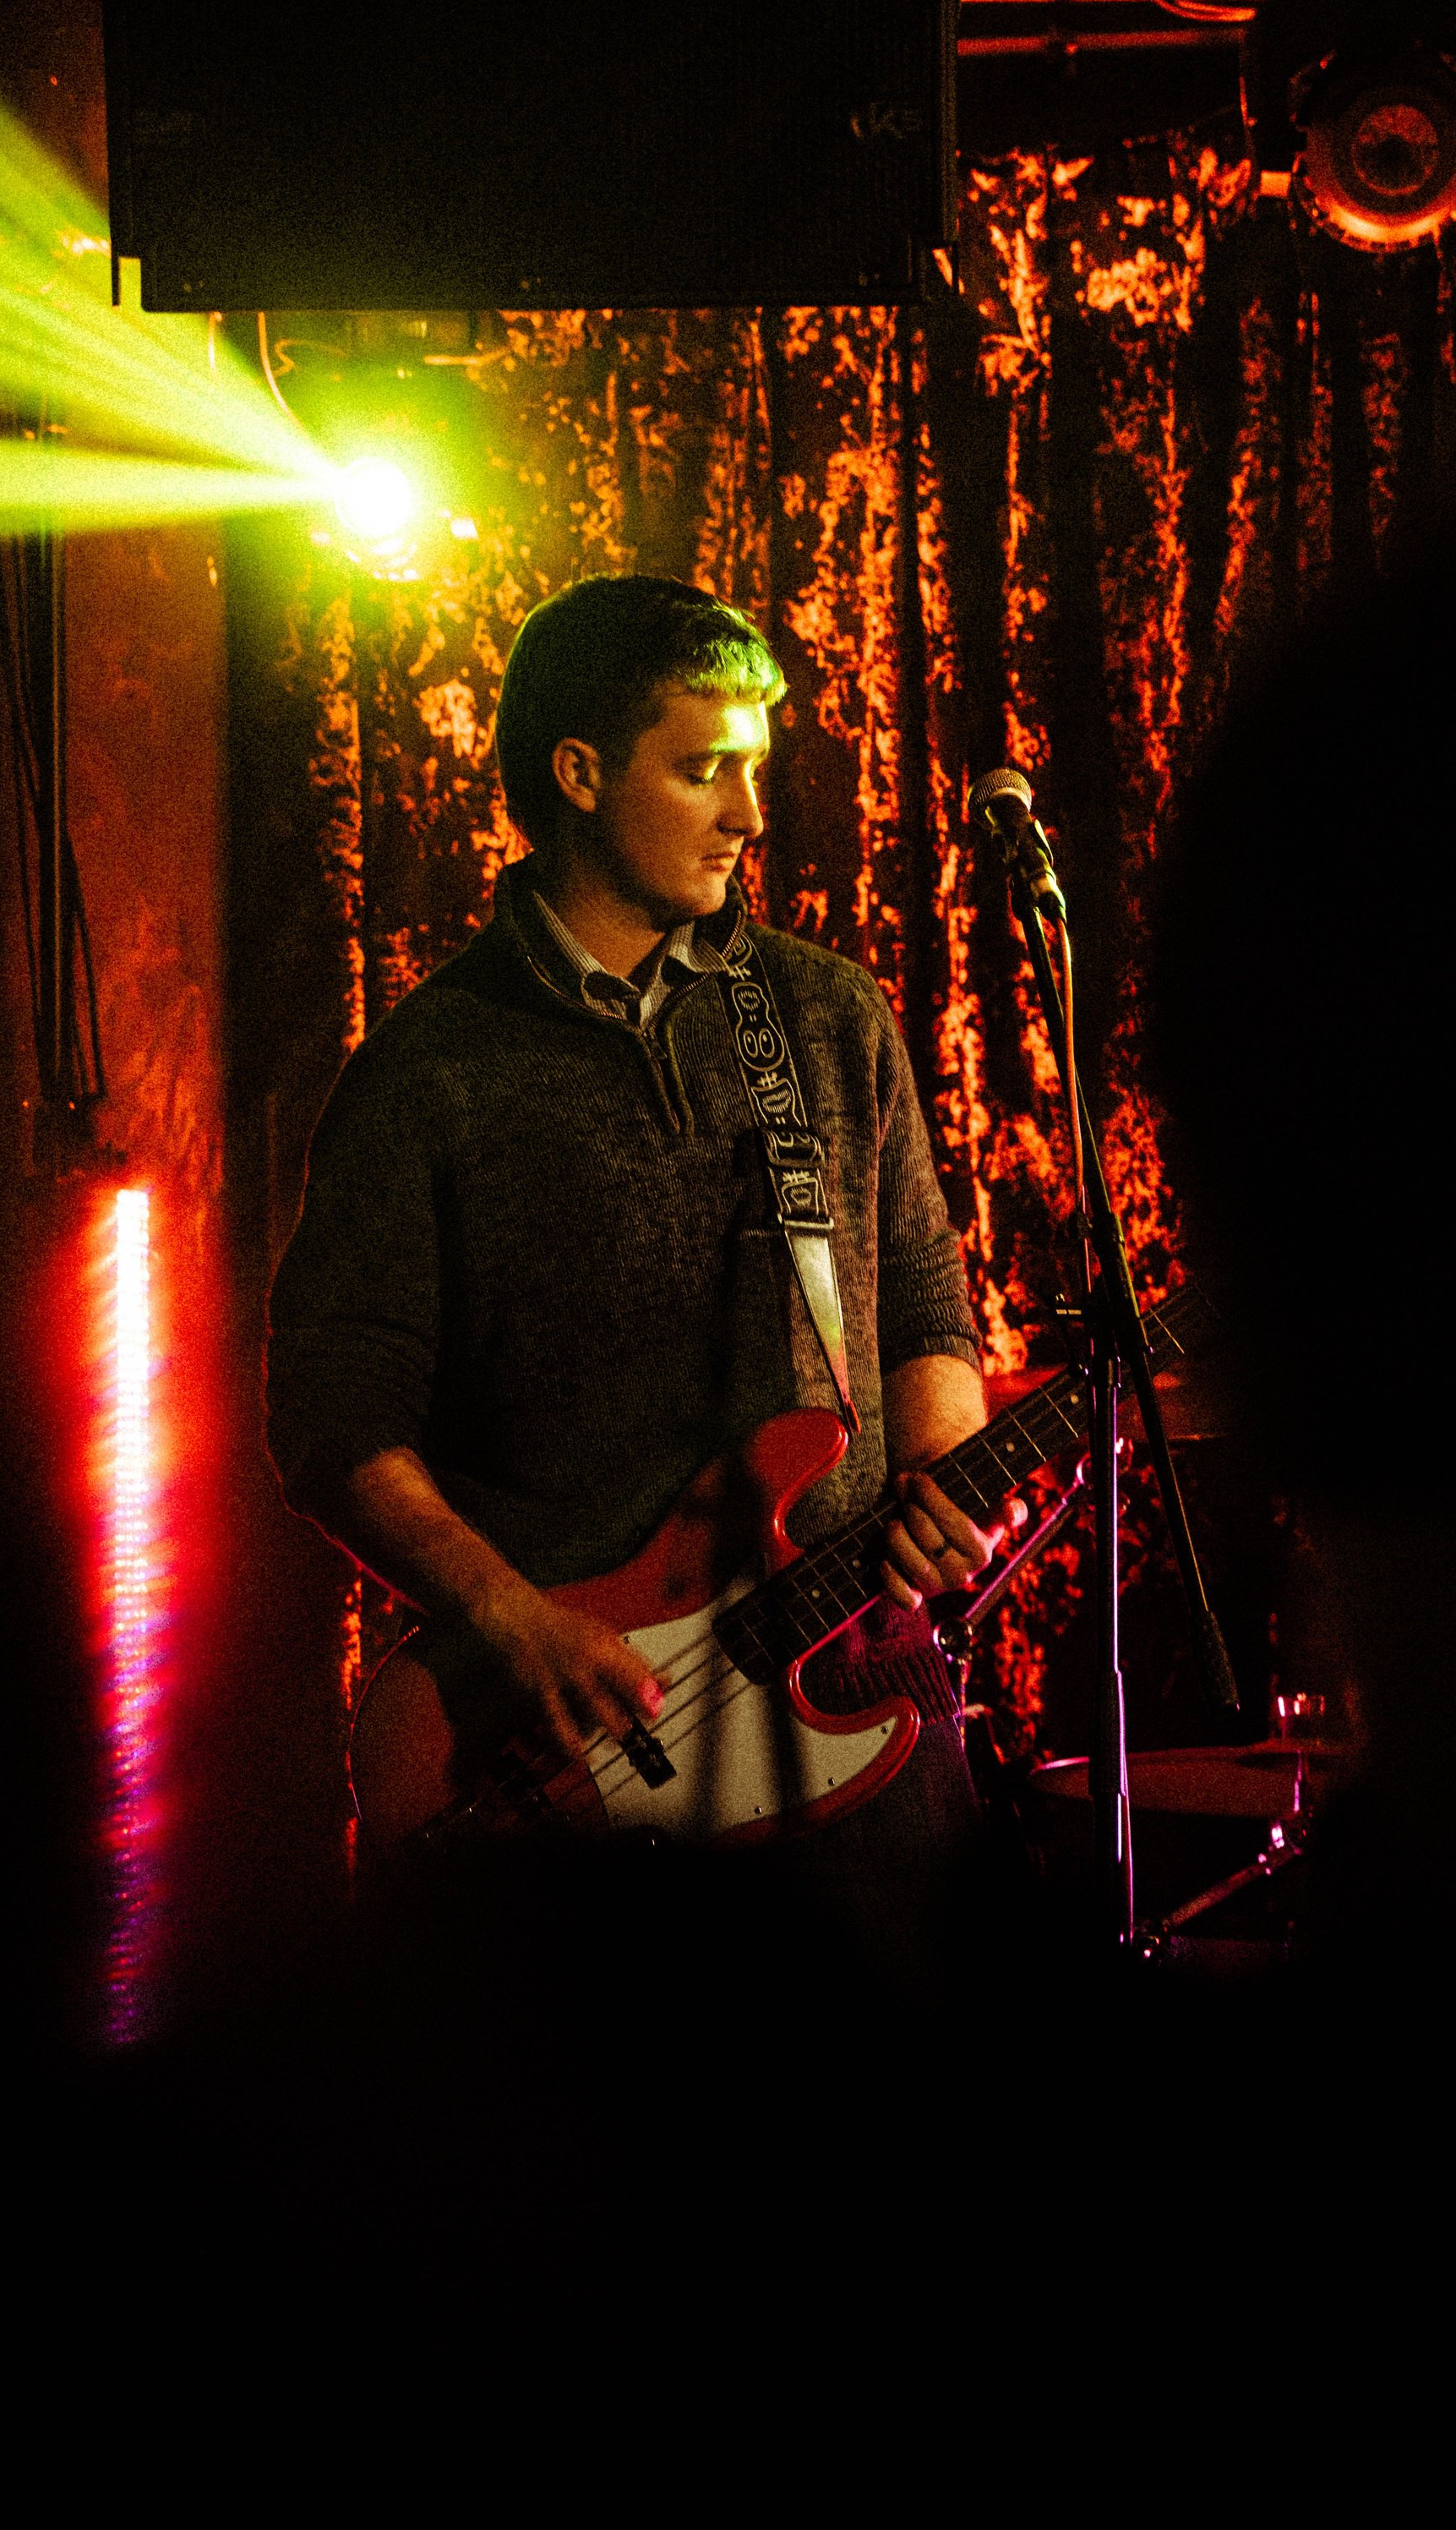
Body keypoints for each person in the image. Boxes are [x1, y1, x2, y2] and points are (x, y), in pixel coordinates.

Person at [266, 574, 1004, 1917]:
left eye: (755, 768)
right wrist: (512, 1618)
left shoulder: (827, 1016)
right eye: (705, 767)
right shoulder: (427, 1073)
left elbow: (926, 1321)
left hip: (866, 1727)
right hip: (587, 1761)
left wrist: (953, 1482)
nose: (750, 813)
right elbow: (332, 1414)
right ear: (581, 771)